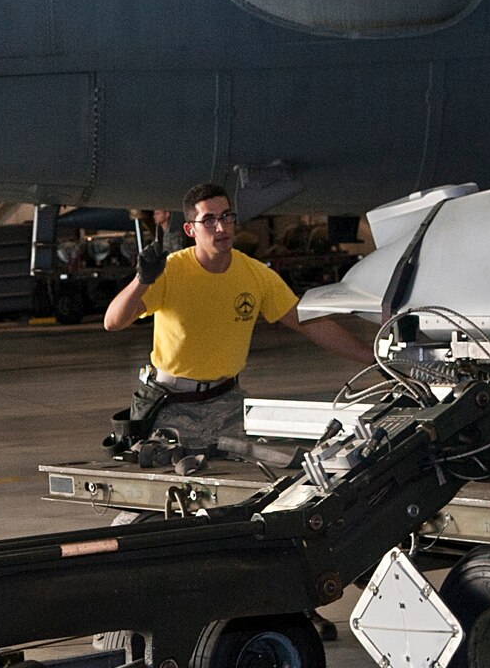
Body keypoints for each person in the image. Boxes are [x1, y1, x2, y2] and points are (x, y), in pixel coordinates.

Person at [103, 182, 371, 469]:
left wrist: (373, 358)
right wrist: (142, 280)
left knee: (274, 475)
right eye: (208, 220)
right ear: (190, 230)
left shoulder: (255, 275)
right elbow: (113, 322)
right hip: (171, 406)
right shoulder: (169, 271)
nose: (221, 228)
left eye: (226, 217)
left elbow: (310, 323)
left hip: (228, 403)